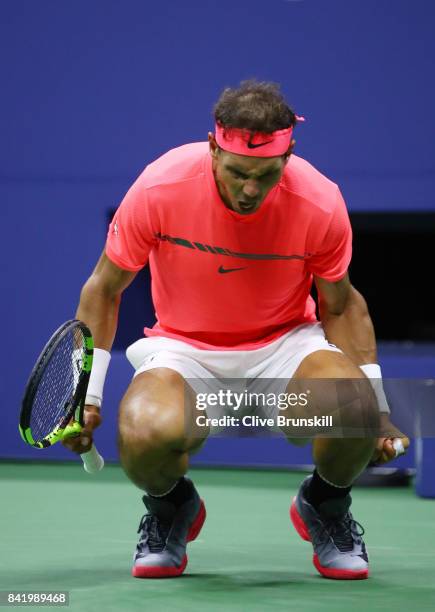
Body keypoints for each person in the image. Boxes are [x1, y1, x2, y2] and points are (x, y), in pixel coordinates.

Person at [63, 80, 409, 580]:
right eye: (238, 173)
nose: (251, 190)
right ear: (212, 149)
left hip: (284, 350)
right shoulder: (161, 187)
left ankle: (325, 505)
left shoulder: (319, 202)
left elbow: (342, 305)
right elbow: (103, 290)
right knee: (142, 431)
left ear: (288, 156)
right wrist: (85, 396)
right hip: (186, 352)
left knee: (351, 407)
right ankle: (171, 508)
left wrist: (377, 406)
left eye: (266, 175)